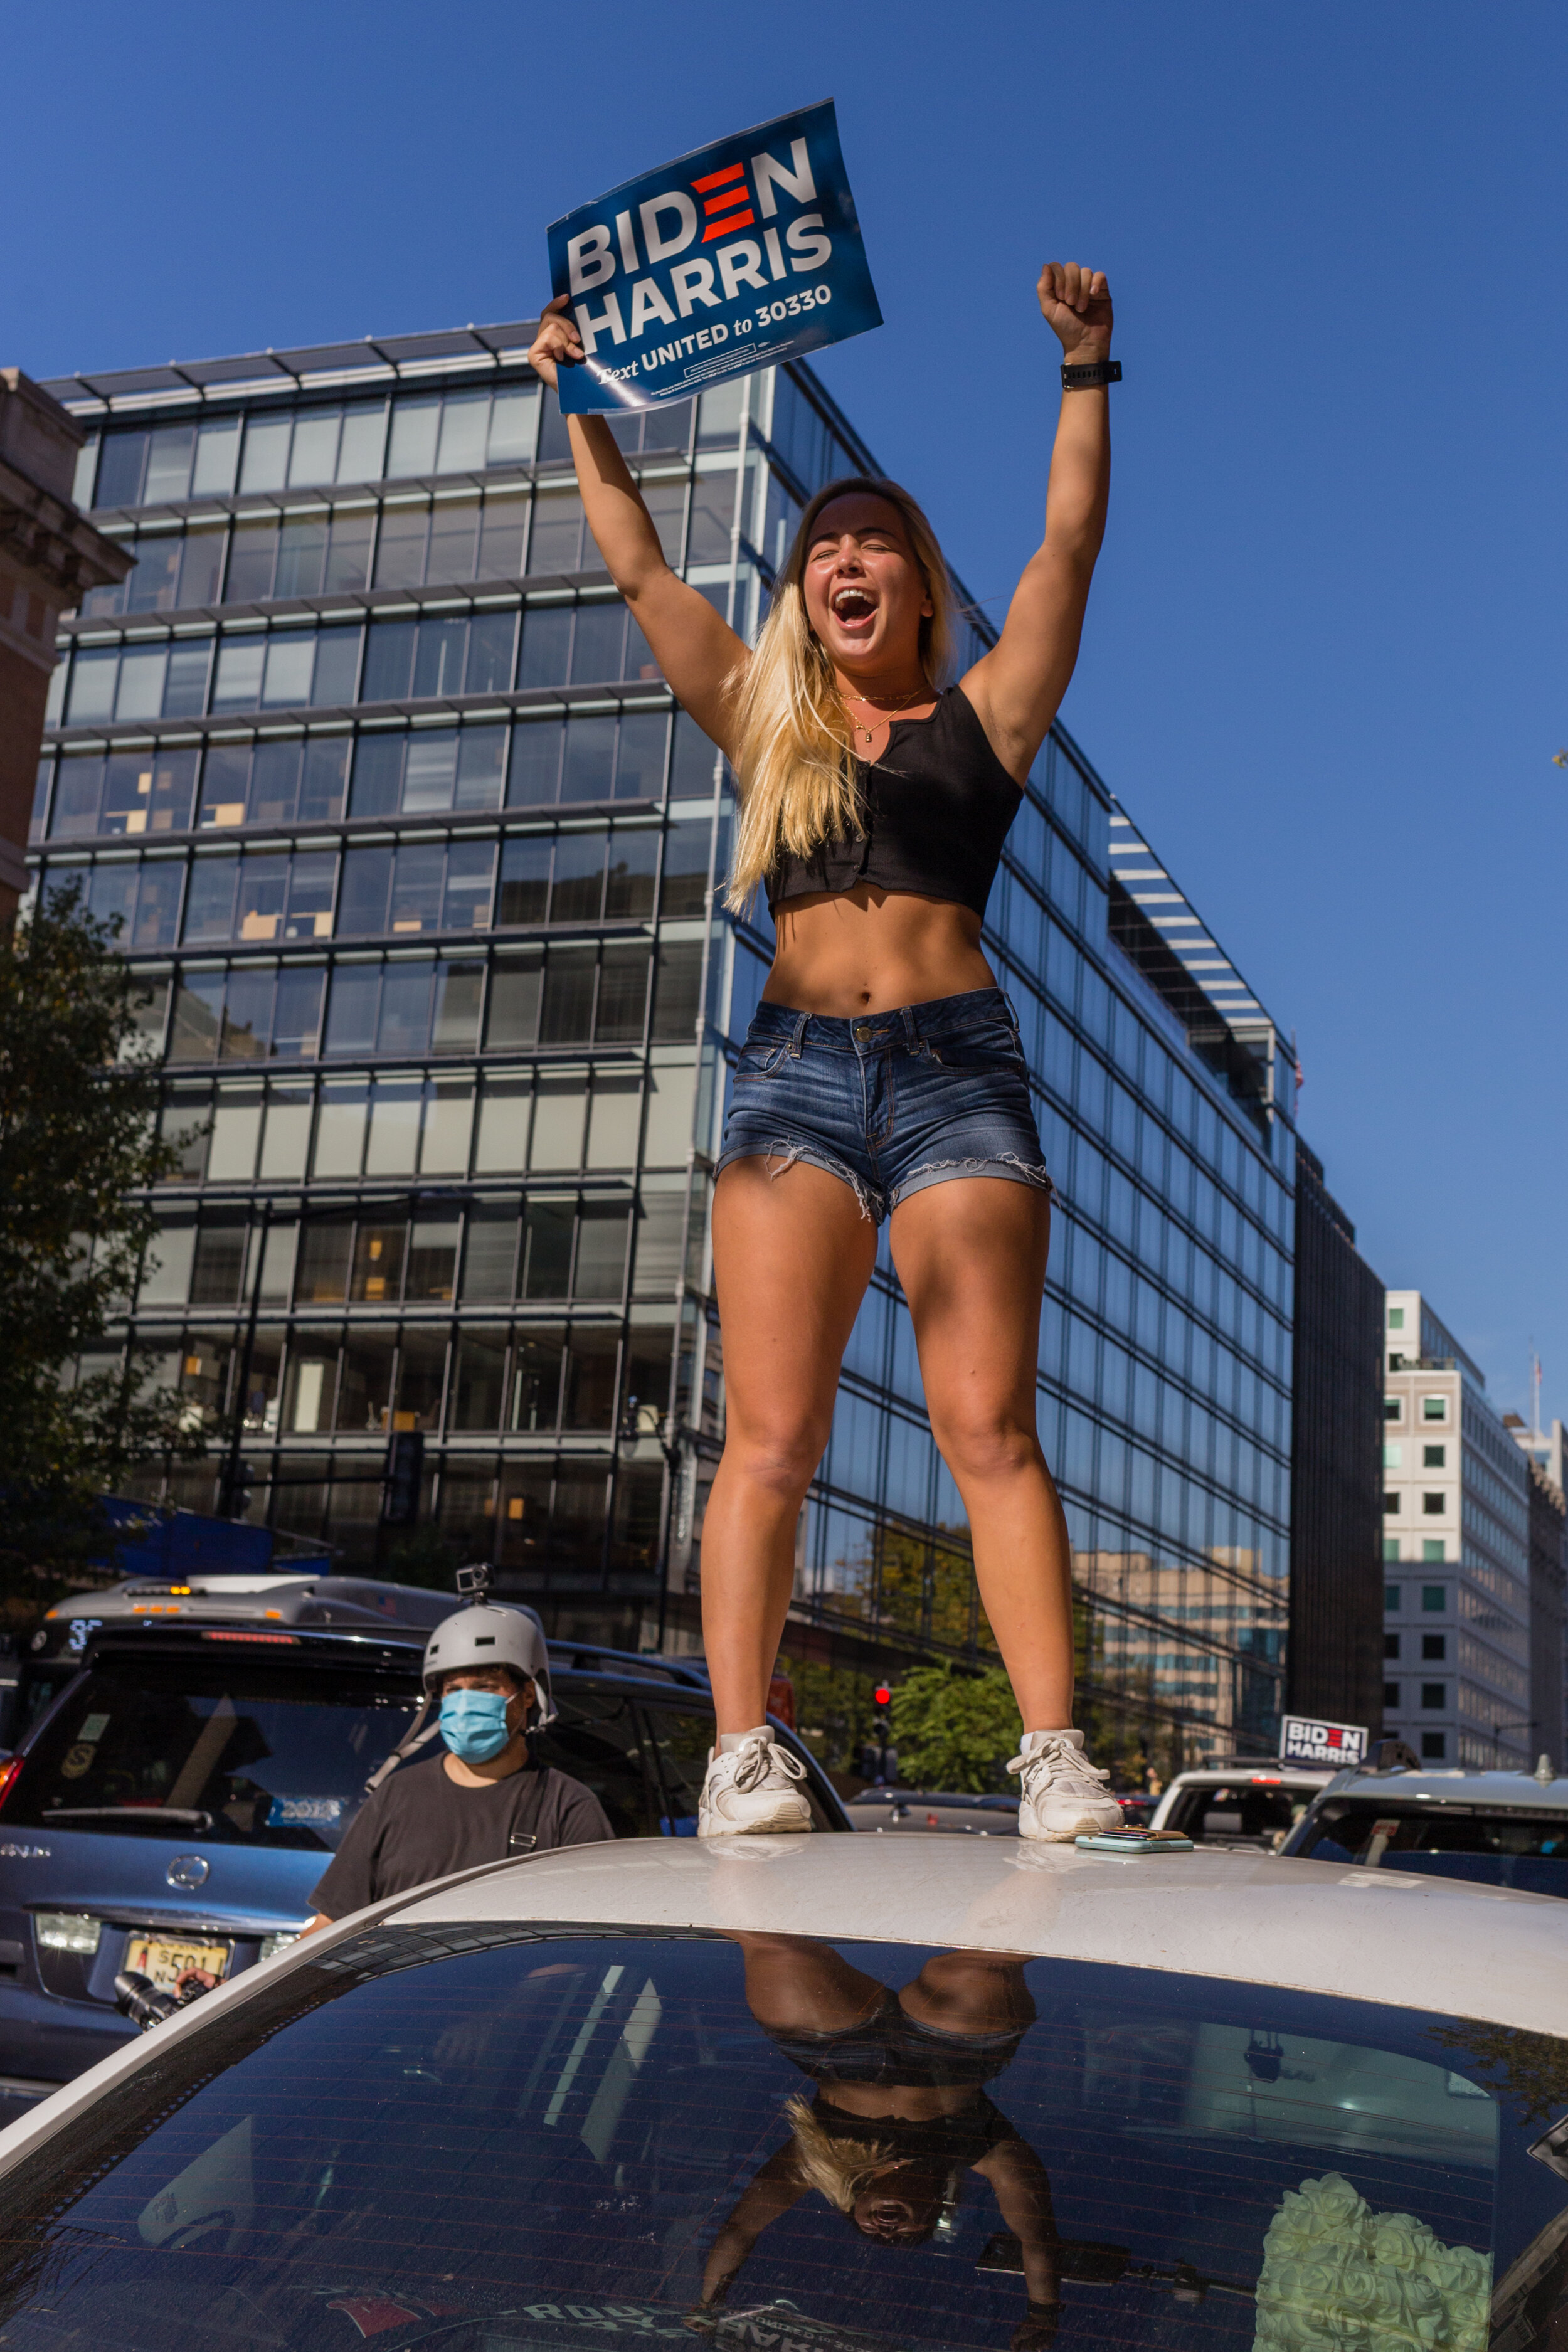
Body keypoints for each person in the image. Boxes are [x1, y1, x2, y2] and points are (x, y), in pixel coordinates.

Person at [528, 262, 1125, 1842]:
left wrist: (1085, 370)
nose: (842, 560)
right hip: (792, 1078)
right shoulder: (763, 720)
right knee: (773, 1434)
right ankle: (742, 1750)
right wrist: (583, 399)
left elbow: (1066, 545)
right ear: (804, 595)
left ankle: (1051, 1751)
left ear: (919, 584)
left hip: (953, 1077)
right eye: (820, 550)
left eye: (873, 544)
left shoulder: (986, 714)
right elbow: (644, 568)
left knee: (987, 1425)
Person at [691, 1934, 1059, 2350]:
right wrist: (1042, 2313)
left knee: (775, 1947)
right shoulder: (986, 2154)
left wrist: (709, 2305)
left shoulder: (819, 2159)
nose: (887, 2231)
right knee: (976, 1967)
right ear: (936, 2209)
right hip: (955, 2053)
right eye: (906, 2236)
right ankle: (1047, 1870)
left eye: (873, 2234)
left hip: (830, 2048)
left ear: (854, 2209)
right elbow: (1036, 2237)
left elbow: (740, 2228)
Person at [300, 1604, 611, 1929]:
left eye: (485, 1687)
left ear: (528, 1694)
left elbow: (588, 1940)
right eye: (453, 1690)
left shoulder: (568, 1808)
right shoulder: (397, 1794)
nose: (465, 1703)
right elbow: (332, 1922)